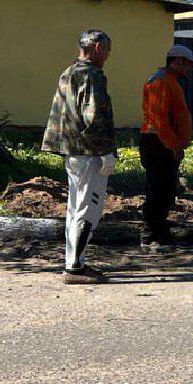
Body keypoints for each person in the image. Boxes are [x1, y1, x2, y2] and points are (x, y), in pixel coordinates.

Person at [41, 29, 116, 284]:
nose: (108, 55)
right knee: (88, 209)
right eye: (106, 49)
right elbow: (93, 116)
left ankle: (74, 262)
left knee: (75, 208)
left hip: (72, 151)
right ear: (96, 47)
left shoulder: (69, 72)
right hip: (89, 153)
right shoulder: (91, 75)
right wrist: (106, 151)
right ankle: (75, 268)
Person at [139, 43, 193, 248]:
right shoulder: (162, 81)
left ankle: (158, 229)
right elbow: (159, 119)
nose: (189, 68)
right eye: (187, 64)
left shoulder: (168, 80)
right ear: (177, 61)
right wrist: (173, 145)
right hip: (159, 143)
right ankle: (151, 233)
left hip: (162, 142)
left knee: (164, 188)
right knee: (158, 188)